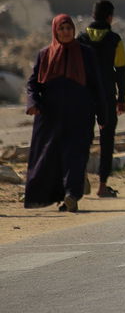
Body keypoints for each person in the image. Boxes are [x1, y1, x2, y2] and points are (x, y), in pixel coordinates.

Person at [24, 14, 107, 212]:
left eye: (68, 28)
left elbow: (97, 86)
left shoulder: (86, 53)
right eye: (61, 29)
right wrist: (33, 102)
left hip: (80, 114)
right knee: (50, 157)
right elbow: (33, 83)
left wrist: (102, 115)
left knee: (75, 154)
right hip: (50, 116)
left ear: (74, 30)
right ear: (55, 31)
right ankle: (60, 196)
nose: (65, 32)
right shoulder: (45, 54)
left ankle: (72, 194)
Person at [82, 0, 125, 198]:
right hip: (107, 97)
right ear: (110, 17)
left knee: (83, 138)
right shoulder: (115, 39)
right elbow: (121, 71)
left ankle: (80, 177)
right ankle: (102, 186)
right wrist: (122, 98)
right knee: (107, 140)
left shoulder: (80, 38)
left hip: (84, 96)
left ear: (93, 15)